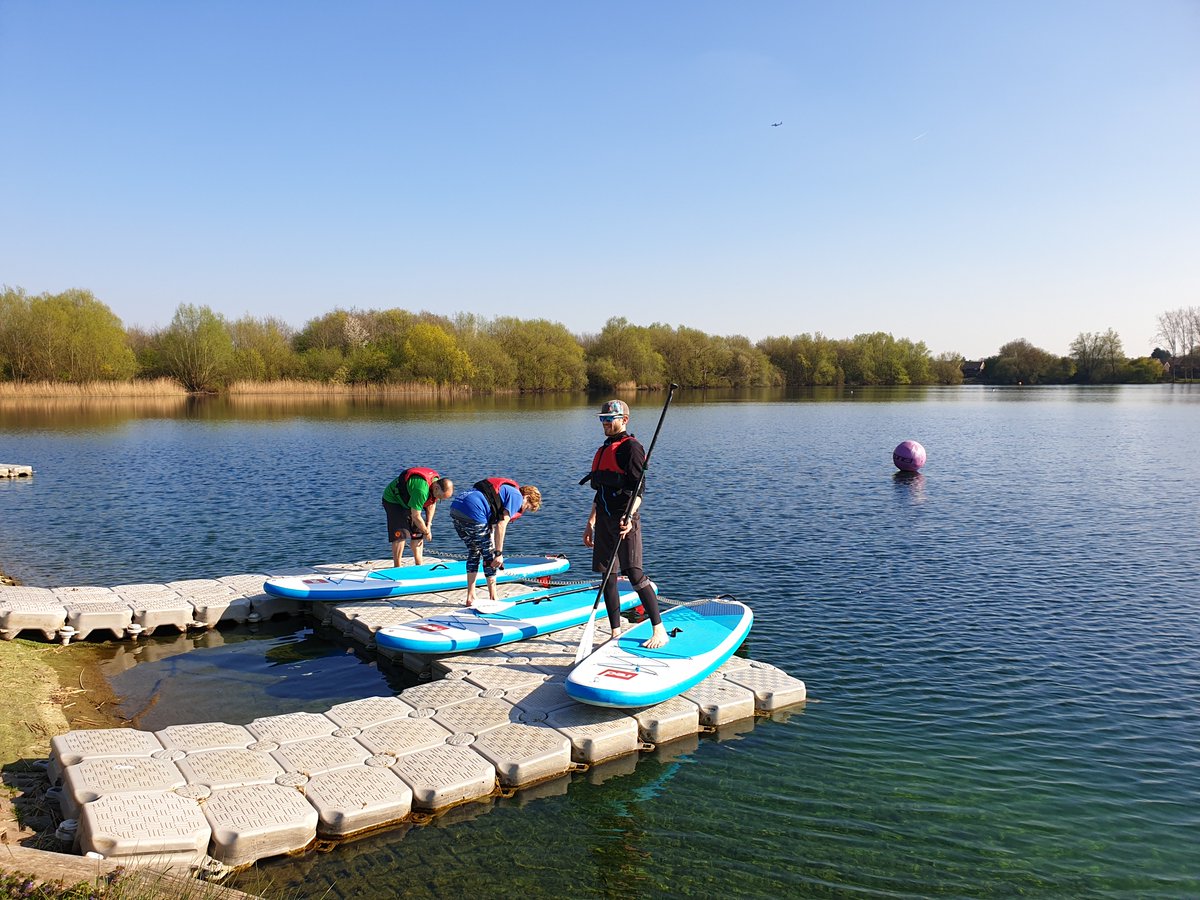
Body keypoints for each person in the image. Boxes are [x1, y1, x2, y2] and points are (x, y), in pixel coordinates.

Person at [581, 399, 669, 648]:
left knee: (634, 574)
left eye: (610, 419)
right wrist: (591, 523)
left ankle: (658, 629)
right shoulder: (604, 448)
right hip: (605, 521)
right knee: (607, 577)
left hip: (624, 519)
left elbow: (639, 490)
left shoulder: (631, 449)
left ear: (624, 420)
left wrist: (629, 518)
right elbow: (600, 493)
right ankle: (614, 632)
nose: (605, 424)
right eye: (603, 419)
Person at [449, 477, 542, 607]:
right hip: (474, 512)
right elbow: (501, 525)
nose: (522, 511)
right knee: (490, 559)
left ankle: (470, 597)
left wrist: (492, 547)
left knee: (474, 551)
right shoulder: (517, 497)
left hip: (456, 509)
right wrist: (498, 553)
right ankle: (494, 598)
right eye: (526, 507)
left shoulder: (505, 492)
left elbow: (491, 530)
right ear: (526, 497)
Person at [381, 467, 454, 567]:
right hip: (394, 500)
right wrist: (426, 532)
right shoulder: (421, 491)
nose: (439, 499)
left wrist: (428, 525)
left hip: (411, 500)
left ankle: (419, 564)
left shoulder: (435, 486)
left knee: (418, 532)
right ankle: (397, 566)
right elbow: (416, 516)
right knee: (401, 533)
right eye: (440, 497)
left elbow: (431, 504)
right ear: (436, 488)